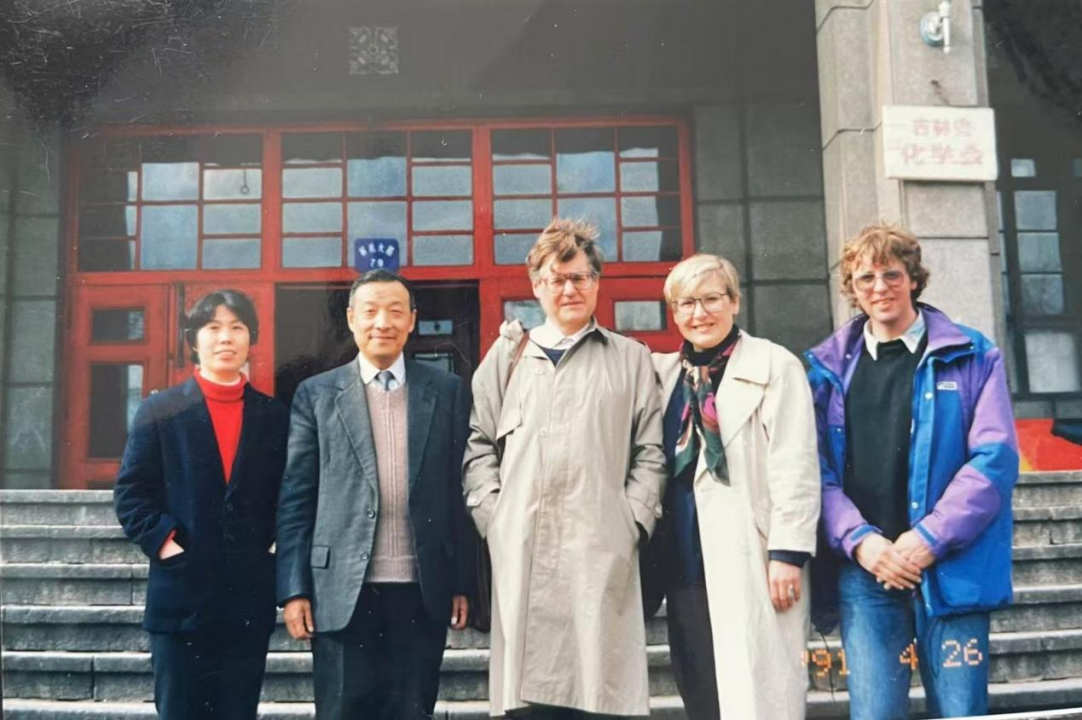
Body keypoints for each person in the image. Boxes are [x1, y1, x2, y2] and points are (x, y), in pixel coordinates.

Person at [807, 224, 1019, 719]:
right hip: (868, 570)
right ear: (852, 288)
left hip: (951, 567)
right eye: (865, 278)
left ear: (914, 279)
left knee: (962, 711)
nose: (879, 287)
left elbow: (994, 460)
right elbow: (814, 471)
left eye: (891, 275)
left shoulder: (973, 355)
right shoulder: (825, 370)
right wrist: (860, 540)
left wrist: (929, 538)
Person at [463, 217, 667, 719]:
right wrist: (496, 517)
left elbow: (650, 452)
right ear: (536, 286)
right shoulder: (508, 358)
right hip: (522, 549)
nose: (569, 289)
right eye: (557, 279)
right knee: (529, 702)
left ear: (597, 283)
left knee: (598, 693)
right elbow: (479, 446)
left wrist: (631, 521)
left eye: (580, 277)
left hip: (599, 548)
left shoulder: (630, 358)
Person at [275, 269, 473, 720]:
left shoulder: (446, 391)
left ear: (412, 320)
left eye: (395, 311)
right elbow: (296, 499)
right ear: (351, 318)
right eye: (370, 311)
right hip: (340, 590)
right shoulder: (316, 395)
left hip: (420, 588)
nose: (382, 322)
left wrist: (463, 582)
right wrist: (293, 589)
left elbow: (456, 494)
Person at [650, 254, 819, 720]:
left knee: (759, 694)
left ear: (734, 302)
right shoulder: (663, 375)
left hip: (756, 557)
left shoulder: (774, 365)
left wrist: (788, 553)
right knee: (702, 692)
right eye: (686, 303)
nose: (699, 314)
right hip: (686, 562)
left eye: (710, 299)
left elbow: (796, 465)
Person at [113, 289, 288, 720]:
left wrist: (273, 546)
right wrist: (167, 544)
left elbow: (291, 493)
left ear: (251, 338)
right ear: (193, 339)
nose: (225, 337)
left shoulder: (274, 416)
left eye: (237, 327)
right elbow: (132, 492)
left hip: (247, 598)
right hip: (180, 596)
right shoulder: (160, 409)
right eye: (213, 327)